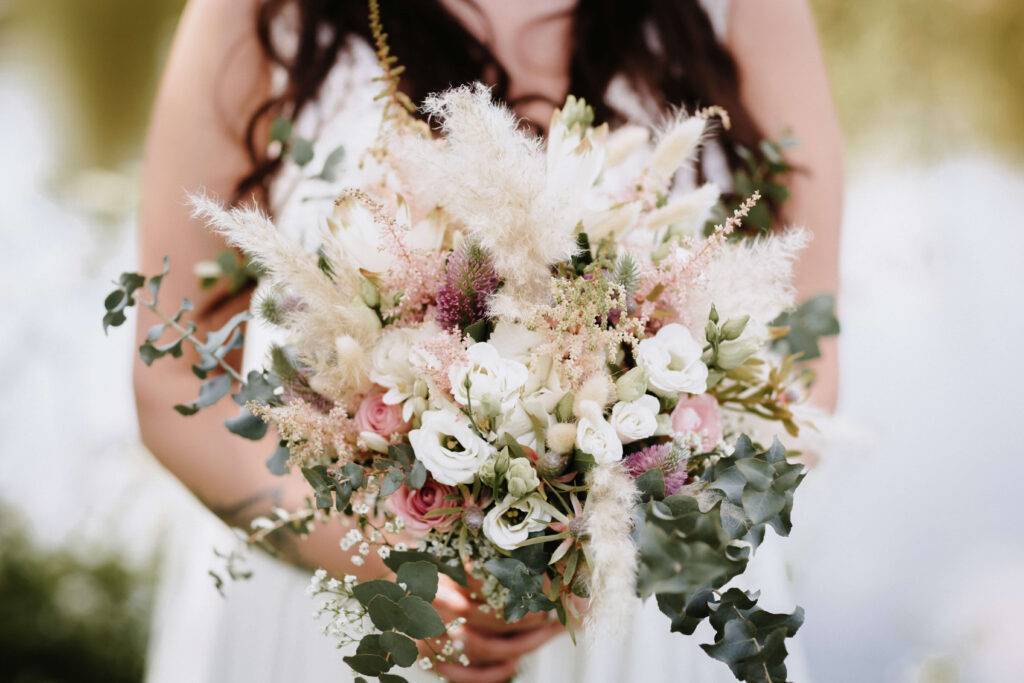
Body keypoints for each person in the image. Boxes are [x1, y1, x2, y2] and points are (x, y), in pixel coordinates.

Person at [137, 1, 841, 681]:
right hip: (353, 613)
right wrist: (389, 566)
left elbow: (805, 362)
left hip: (634, 624)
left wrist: (613, 545)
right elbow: (171, 380)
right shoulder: (263, 10)